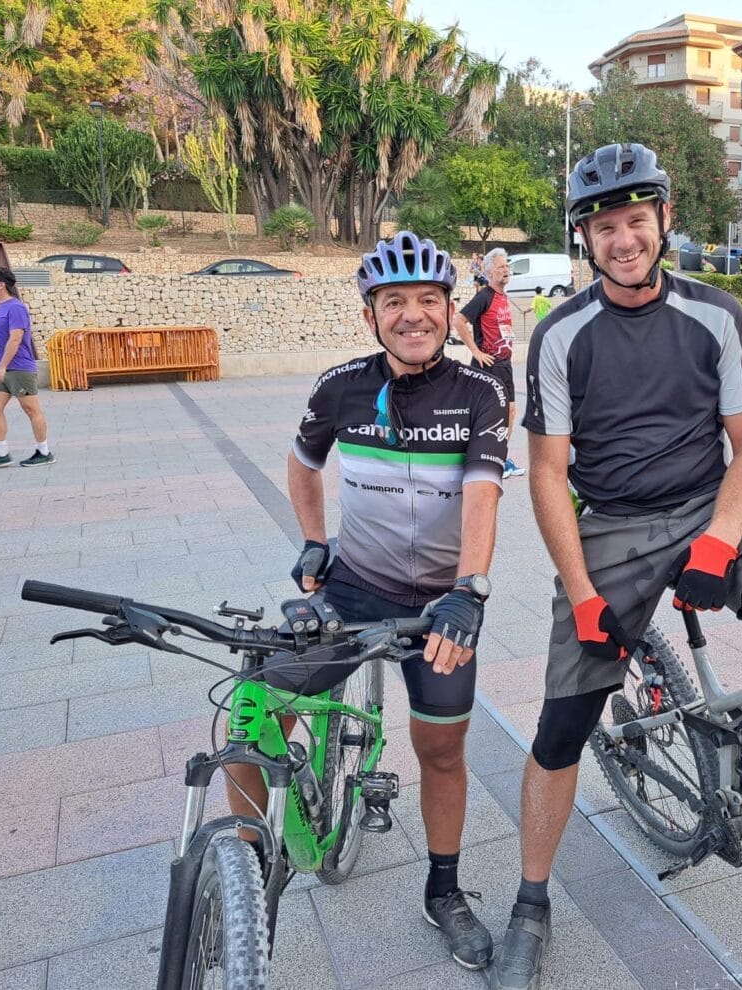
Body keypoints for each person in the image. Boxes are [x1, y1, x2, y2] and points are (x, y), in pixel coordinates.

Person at [492, 143, 742, 990]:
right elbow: (548, 475)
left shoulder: (717, 314)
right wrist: (584, 594)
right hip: (615, 526)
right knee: (562, 728)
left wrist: (718, 540)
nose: (622, 239)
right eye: (603, 226)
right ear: (584, 238)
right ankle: (529, 903)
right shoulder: (561, 334)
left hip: (710, 504)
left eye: (635, 220)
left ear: (663, 221)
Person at [233, 230, 507, 971]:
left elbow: (484, 493)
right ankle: (247, 873)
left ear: (451, 311)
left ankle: (443, 890)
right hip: (353, 588)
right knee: (251, 706)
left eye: (427, 300)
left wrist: (469, 589)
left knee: (441, 748)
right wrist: (314, 540)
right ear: (370, 316)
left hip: (440, 605)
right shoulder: (340, 387)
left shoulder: (480, 394)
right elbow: (301, 462)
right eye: (395, 302)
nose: (412, 315)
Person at [454, 247, 524, 478]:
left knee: (511, 410)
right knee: (491, 413)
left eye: (507, 267)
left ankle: (500, 457)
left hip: (504, 364)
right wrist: (476, 352)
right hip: (489, 365)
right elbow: (459, 321)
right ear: (489, 272)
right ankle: (485, 459)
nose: (506, 270)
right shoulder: (484, 296)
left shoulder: (502, 296)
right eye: (501, 267)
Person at [0, 267, 53, 468]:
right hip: (3, 369)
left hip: (18, 367)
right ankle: (1, 453)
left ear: (1, 284)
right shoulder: (0, 308)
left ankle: (44, 451)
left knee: (31, 409)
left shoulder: (16, 307)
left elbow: (16, 337)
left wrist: (1, 366)